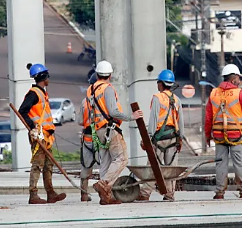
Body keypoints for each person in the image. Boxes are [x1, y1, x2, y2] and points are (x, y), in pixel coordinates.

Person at [80, 60, 143, 205]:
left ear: (97, 74)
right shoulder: (107, 88)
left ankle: (105, 197)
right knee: (121, 158)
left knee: (106, 163)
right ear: (110, 75)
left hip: (98, 131)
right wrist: (130, 117)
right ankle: (105, 184)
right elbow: (113, 111)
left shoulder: (91, 89)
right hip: (109, 129)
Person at [205, 63, 242, 200]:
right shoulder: (239, 93)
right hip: (236, 134)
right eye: (238, 78)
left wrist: (207, 135)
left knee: (220, 163)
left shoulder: (213, 93)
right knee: (238, 163)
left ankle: (219, 193)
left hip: (218, 135)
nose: (239, 81)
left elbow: (208, 117)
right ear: (233, 78)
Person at [17, 63, 67, 205]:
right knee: (37, 165)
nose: (49, 79)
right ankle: (33, 195)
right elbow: (22, 111)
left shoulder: (42, 93)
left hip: (46, 136)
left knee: (48, 165)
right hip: (38, 135)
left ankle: (51, 193)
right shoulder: (34, 94)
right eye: (47, 76)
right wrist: (32, 127)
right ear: (43, 77)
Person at [138, 69, 184, 202]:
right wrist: (180, 138)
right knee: (171, 168)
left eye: (158, 82)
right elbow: (180, 121)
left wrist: (148, 138)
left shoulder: (157, 98)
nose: (157, 85)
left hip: (159, 138)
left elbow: (153, 120)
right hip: (173, 138)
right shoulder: (177, 100)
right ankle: (169, 194)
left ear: (162, 84)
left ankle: (145, 193)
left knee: (153, 166)